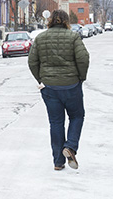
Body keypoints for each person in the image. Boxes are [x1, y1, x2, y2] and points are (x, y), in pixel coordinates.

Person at [28, 9, 90, 171]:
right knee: (77, 116)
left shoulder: (40, 38)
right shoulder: (74, 37)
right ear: (66, 21)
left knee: (56, 122)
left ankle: (58, 161)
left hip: (49, 87)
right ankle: (70, 146)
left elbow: (32, 61)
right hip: (71, 85)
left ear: (50, 21)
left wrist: (41, 79)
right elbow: (83, 58)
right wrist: (80, 78)